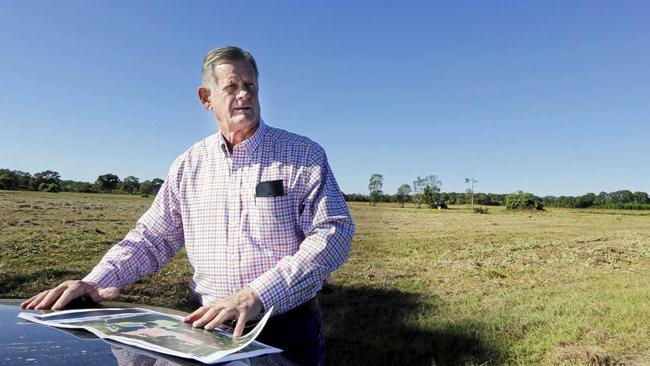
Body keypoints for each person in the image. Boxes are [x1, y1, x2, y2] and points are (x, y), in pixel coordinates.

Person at [21, 46, 355, 366]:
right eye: (231, 86)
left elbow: (333, 233)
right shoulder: (188, 164)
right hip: (208, 327)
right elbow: (154, 237)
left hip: (285, 324)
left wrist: (256, 296)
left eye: (250, 85)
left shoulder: (302, 154)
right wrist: (95, 281)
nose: (244, 94)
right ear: (206, 98)